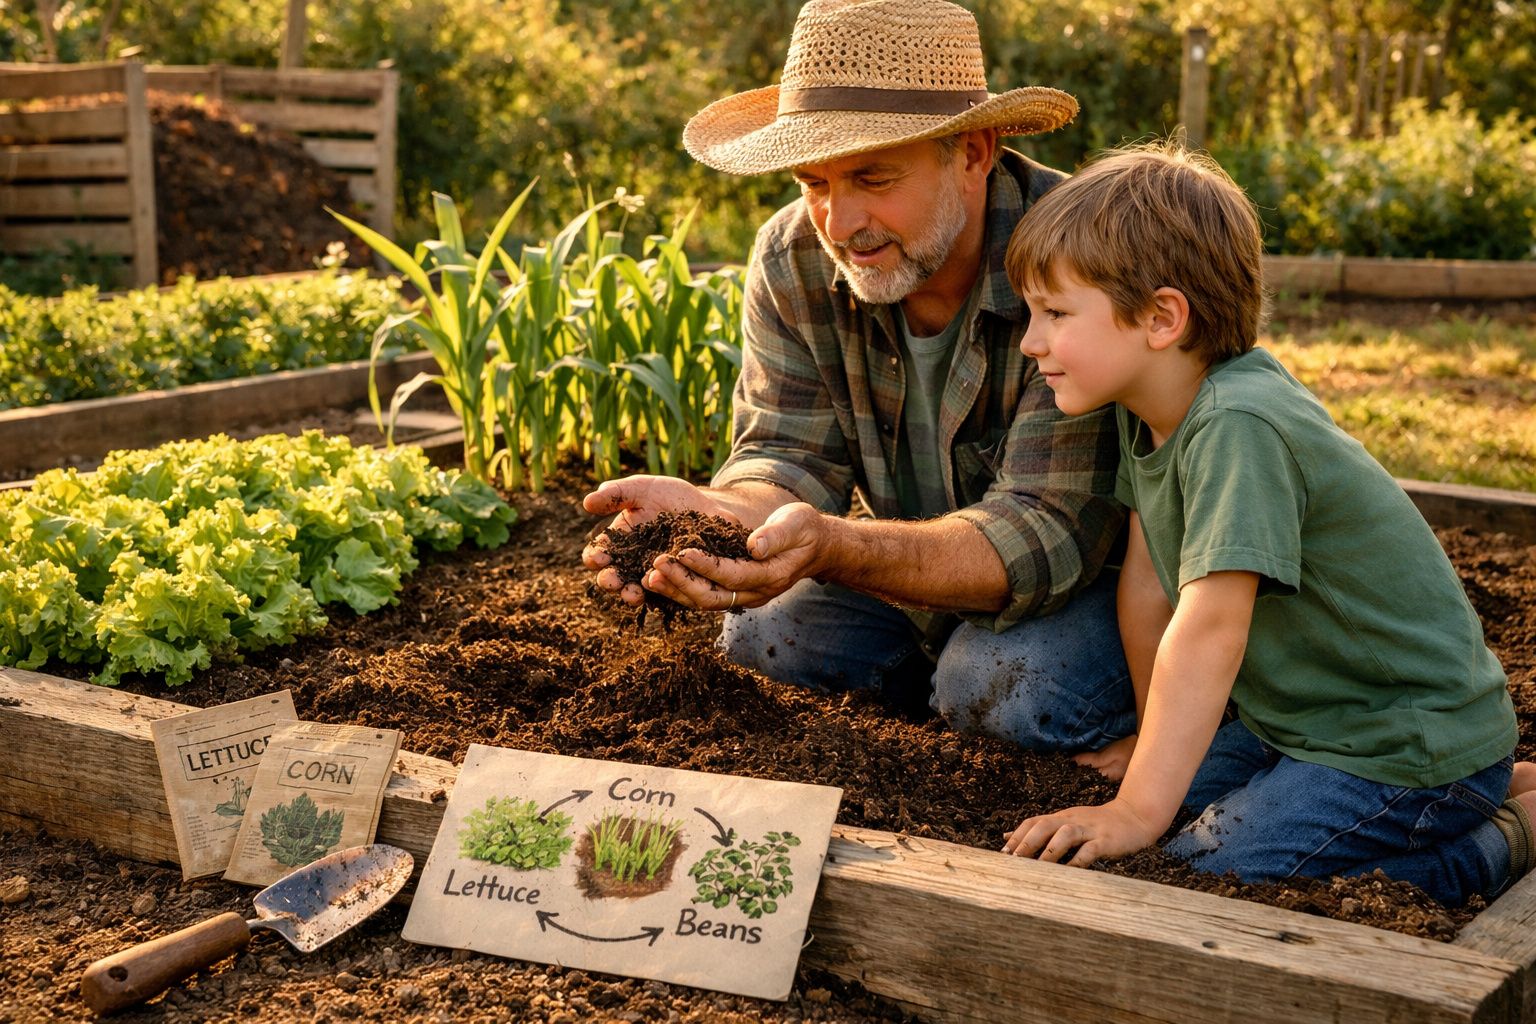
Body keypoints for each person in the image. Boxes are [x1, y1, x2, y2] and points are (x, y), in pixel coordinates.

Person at [582, 0, 1134, 752]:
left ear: (973, 151)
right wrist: (705, 516)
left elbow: (1046, 534)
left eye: (873, 177)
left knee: (1004, 684)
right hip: (912, 582)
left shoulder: (1083, 260)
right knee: (761, 635)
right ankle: (930, 725)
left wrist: (837, 547)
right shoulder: (794, 257)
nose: (840, 223)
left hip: (1102, 593)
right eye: (815, 182)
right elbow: (789, 455)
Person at [998, 142, 1535, 905]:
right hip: (1305, 723)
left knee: (1213, 874)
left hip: (1399, 738)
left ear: (1161, 318)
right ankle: (1481, 786)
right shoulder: (1147, 413)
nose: (1031, 341)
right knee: (1178, 826)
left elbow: (1212, 625)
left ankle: (1504, 831)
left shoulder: (1238, 423)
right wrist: (1152, 759)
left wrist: (1135, 810)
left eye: (1054, 313)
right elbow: (1150, 589)